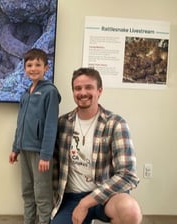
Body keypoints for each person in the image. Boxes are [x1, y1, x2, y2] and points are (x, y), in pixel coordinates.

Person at [50, 67, 142, 224]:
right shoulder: (62, 124)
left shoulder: (116, 124)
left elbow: (128, 174)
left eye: (89, 87)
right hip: (72, 198)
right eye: (78, 88)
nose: (83, 92)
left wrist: (86, 203)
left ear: (99, 91)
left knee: (130, 211)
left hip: (107, 196)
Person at [9, 48, 61, 224]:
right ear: (24, 68)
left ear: (46, 67)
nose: (33, 68)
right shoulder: (25, 94)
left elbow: (51, 125)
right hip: (24, 150)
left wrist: (46, 155)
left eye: (38, 64)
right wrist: (15, 148)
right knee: (27, 192)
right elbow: (20, 124)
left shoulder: (50, 92)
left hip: (41, 154)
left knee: (42, 194)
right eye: (29, 65)